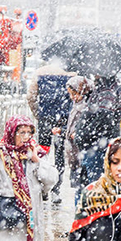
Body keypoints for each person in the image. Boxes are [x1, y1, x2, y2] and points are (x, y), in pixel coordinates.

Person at [71, 74, 121, 205]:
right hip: (93, 145)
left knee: (93, 185)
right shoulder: (101, 89)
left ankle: (88, 216)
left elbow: (102, 118)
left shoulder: (107, 91)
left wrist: (82, 135)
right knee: (87, 184)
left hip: (96, 146)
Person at [27, 59, 74, 198]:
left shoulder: (39, 73)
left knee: (43, 152)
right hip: (62, 121)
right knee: (59, 154)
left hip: (45, 120)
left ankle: (44, 186)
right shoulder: (69, 75)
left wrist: (38, 114)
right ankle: (56, 190)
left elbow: (31, 97)